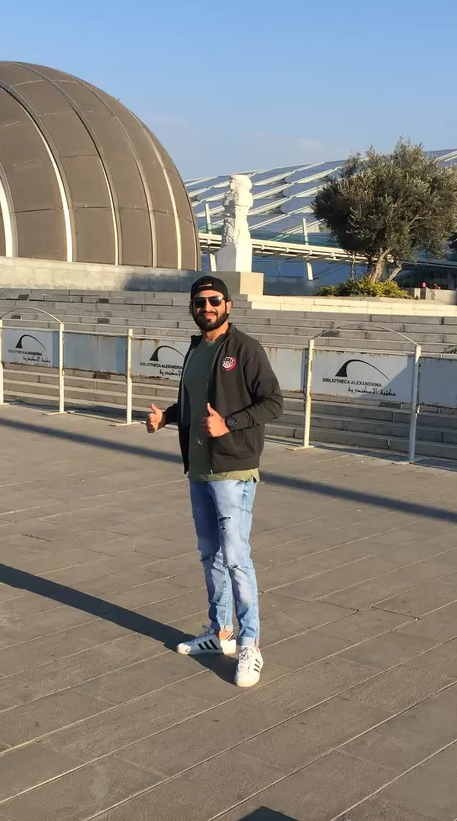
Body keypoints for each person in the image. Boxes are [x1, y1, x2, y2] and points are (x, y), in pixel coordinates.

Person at [147, 275, 283, 687]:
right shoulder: (195, 349)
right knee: (210, 554)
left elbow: (274, 402)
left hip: (234, 469)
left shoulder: (245, 349)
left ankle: (250, 643)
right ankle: (220, 632)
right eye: (199, 302)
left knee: (236, 557)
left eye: (214, 301)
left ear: (228, 305)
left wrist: (231, 424)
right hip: (200, 468)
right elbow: (192, 402)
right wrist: (166, 418)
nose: (206, 307)